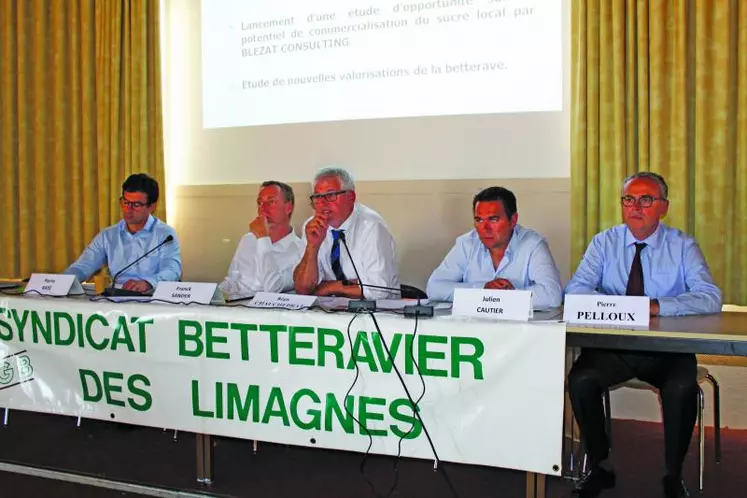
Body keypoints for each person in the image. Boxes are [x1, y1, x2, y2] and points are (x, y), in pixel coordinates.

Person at [565, 172, 722, 498]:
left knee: (681, 387)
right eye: (628, 199)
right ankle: (600, 466)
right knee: (581, 380)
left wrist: (658, 306)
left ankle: (672, 474)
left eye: (646, 200)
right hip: (613, 348)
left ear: (663, 207)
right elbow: (575, 291)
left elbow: (709, 296)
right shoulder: (604, 242)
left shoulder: (681, 245)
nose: (635, 207)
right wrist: (617, 306)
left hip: (666, 350)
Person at [426, 186, 562, 307]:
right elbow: (434, 288)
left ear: (513, 220)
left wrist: (505, 295)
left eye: (493, 219)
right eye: (478, 220)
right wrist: (483, 289)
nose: (484, 228)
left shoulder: (532, 244)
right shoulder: (467, 244)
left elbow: (552, 295)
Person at [293, 166, 399, 299]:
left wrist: (329, 287)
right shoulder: (312, 227)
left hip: (377, 314)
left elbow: (378, 290)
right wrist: (312, 247)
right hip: (328, 313)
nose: (322, 203)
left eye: (330, 195)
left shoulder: (371, 227)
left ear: (350, 197)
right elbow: (303, 289)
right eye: (318, 197)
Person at [65, 173, 181, 292]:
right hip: (116, 299)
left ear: (151, 207)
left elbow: (172, 270)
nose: (128, 209)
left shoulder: (165, 235)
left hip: (151, 299)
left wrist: (148, 283)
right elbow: (83, 266)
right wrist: (62, 281)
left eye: (136, 205)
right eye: (125, 202)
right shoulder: (108, 235)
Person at [219, 181, 303, 298]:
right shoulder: (248, 239)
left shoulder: (301, 250)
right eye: (259, 203)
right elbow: (232, 281)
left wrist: (263, 238)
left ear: (288, 207)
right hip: (235, 310)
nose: (262, 209)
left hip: (268, 313)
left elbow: (273, 289)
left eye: (271, 202)